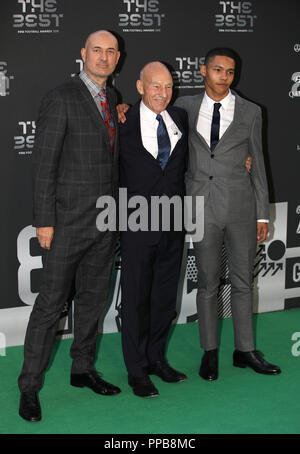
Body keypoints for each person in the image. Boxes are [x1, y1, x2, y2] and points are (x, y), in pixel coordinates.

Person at [18, 30, 121, 422]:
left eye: (111, 51)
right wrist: (45, 220)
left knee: (93, 303)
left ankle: (83, 369)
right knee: (49, 307)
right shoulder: (60, 97)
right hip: (66, 224)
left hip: (105, 223)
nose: (104, 57)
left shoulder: (111, 99)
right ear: (83, 54)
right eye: (97, 50)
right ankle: (29, 387)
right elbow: (43, 165)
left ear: (118, 58)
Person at [175, 48, 281, 380]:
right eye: (218, 70)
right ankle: (209, 352)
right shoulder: (184, 107)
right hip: (201, 204)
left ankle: (245, 350)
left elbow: (259, 165)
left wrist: (262, 215)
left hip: (241, 206)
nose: (224, 76)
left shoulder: (251, 111)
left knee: (242, 282)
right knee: (207, 283)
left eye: (230, 72)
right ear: (203, 71)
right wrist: (124, 109)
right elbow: (152, 124)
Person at [119, 62, 188, 397]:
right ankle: (136, 370)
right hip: (135, 223)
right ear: (140, 86)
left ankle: (156, 359)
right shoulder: (122, 122)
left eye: (168, 86)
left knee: (164, 298)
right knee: (135, 300)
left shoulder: (180, 119)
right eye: (155, 86)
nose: (163, 93)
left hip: (174, 222)